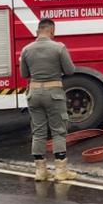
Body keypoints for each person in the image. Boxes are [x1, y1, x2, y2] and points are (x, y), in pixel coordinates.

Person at [19, 18, 77, 181]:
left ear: (38, 31)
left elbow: (24, 74)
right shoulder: (59, 48)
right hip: (54, 93)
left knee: (38, 131)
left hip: (34, 93)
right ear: (52, 31)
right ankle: (61, 171)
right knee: (58, 130)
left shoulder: (26, 50)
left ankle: (40, 171)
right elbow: (70, 70)